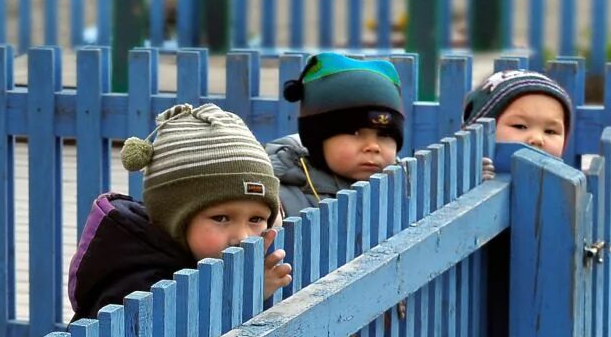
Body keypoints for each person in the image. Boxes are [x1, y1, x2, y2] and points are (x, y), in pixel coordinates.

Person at [67, 102, 290, 322]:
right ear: (174, 219)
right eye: (221, 218)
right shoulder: (138, 278)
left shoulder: (196, 256)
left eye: (256, 219)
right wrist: (244, 298)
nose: (243, 237)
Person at [268, 52, 405, 216]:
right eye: (355, 133)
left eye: (384, 135)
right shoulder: (278, 197)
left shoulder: (406, 185)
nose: (373, 147)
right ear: (317, 140)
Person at [464, 69, 574, 174]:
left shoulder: (562, 185)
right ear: (482, 131)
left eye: (550, 131)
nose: (537, 139)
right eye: (520, 126)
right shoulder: (461, 177)